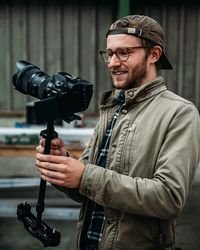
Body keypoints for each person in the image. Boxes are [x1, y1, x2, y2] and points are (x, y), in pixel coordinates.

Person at [35, 15, 200, 250]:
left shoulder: (179, 113)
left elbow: (169, 198)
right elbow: (89, 192)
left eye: (124, 52)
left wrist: (84, 176)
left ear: (154, 54)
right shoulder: (112, 108)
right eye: (109, 54)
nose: (113, 63)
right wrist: (64, 166)